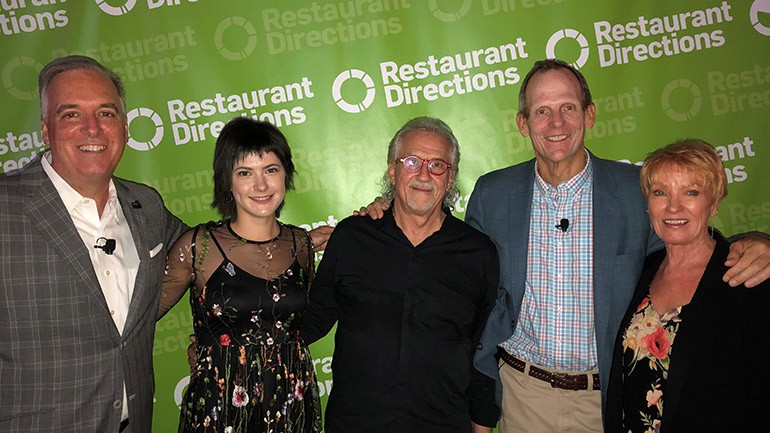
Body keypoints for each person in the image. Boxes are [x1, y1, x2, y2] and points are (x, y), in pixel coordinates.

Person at [466, 59, 770, 432]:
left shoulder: (636, 188)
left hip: (610, 398)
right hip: (525, 394)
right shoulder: (492, 194)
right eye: (542, 111)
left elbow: (689, 243)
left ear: (589, 115)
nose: (556, 123)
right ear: (523, 124)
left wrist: (754, 243)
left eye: (568, 108)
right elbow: (463, 275)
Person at [0, 55, 186, 432]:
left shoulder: (146, 204)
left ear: (125, 127)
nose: (92, 129)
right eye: (71, 115)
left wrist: (291, 240)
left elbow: (205, 249)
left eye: (106, 113)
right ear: (46, 130)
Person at [300, 117, 499, 433]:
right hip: (355, 425)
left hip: (444, 425)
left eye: (437, 165)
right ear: (392, 171)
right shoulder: (352, 238)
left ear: (450, 179)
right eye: (412, 161)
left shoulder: (479, 254)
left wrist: (483, 428)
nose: (423, 174)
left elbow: (482, 352)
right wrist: (228, 340)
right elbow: (309, 323)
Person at [159, 117, 323, 433]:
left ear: (285, 174)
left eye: (271, 170)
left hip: (290, 406)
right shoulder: (198, 247)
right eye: (245, 173)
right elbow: (135, 321)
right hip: (222, 413)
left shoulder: (301, 245)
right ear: (227, 181)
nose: (260, 186)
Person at [605, 139, 770, 432]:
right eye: (660, 193)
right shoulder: (644, 270)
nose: (673, 207)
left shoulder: (747, 279)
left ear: (715, 202)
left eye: (691, 192)